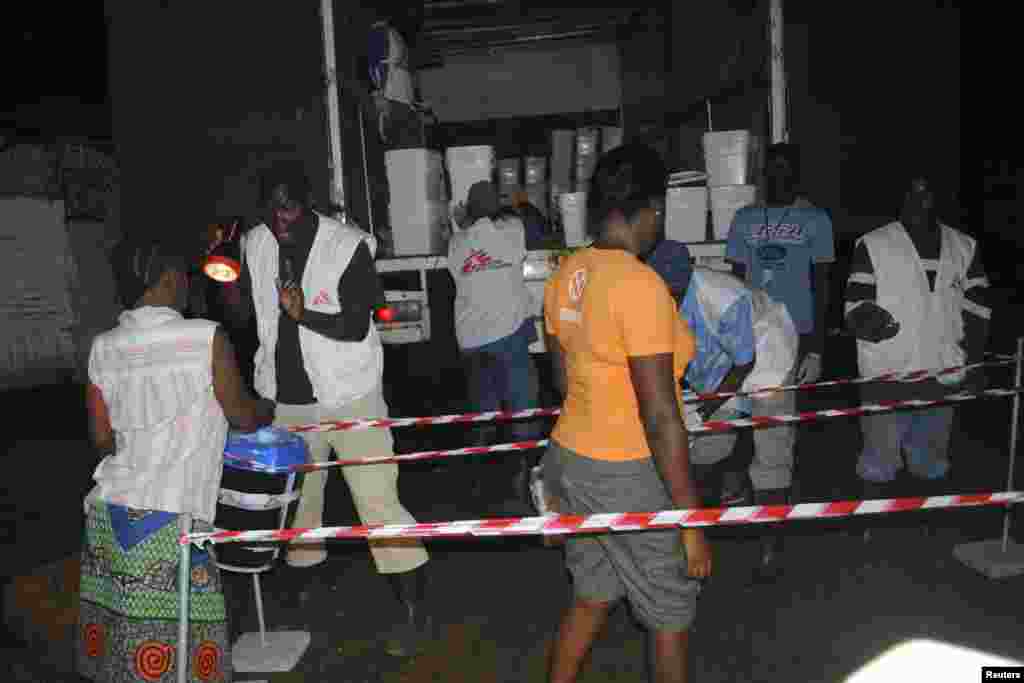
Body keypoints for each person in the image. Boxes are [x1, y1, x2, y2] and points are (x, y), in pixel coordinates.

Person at [224, 161, 432, 656]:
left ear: (307, 200)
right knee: (298, 508)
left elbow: (357, 326)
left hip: (350, 396)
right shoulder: (255, 243)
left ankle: (413, 615)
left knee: (378, 502)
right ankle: (307, 610)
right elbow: (243, 317)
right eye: (272, 210)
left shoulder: (347, 246)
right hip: (289, 400)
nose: (281, 219)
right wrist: (226, 275)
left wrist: (304, 314)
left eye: (290, 207)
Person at [542, 145, 711, 683]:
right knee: (669, 615)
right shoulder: (639, 286)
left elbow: (561, 380)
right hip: (627, 469)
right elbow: (660, 417)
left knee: (592, 593)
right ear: (651, 208)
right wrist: (690, 522)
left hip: (570, 458)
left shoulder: (568, 271)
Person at [77, 239, 275, 683]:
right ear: (169, 279)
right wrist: (268, 408)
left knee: (126, 655)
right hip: (171, 518)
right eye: (184, 277)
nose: (188, 287)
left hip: (111, 513)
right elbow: (242, 415)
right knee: (180, 650)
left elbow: (101, 437)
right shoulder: (204, 337)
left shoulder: (103, 347)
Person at [647, 239, 800, 582]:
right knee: (706, 446)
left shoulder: (724, 300)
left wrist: (705, 408)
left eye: (671, 289)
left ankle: (770, 545)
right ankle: (697, 531)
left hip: (765, 354)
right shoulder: (653, 295)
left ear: (683, 280)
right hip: (719, 362)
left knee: (771, 451)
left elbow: (744, 363)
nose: (664, 294)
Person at [845, 176, 990, 513]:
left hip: (943, 369)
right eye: (912, 191)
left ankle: (927, 530)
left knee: (932, 461)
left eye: (928, 191)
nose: (920, 198)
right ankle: (873, 527)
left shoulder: (965, 246)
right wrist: (872, 322)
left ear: (940, 198)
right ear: (900, 197)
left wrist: (977, 363)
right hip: (887, 370)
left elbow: (978, 310)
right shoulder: (873, 243)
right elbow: (855, 307)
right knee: (879, 461)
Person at [447, 180, 541, 508]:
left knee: (484, 413)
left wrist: (468, 222)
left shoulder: (459, 240)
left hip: (473, 340)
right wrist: (485, 218)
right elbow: (512, 252)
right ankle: (525, 478)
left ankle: (479, 484)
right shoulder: (509, 230)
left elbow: (468, 255)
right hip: (505, 334)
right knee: (522, 409)